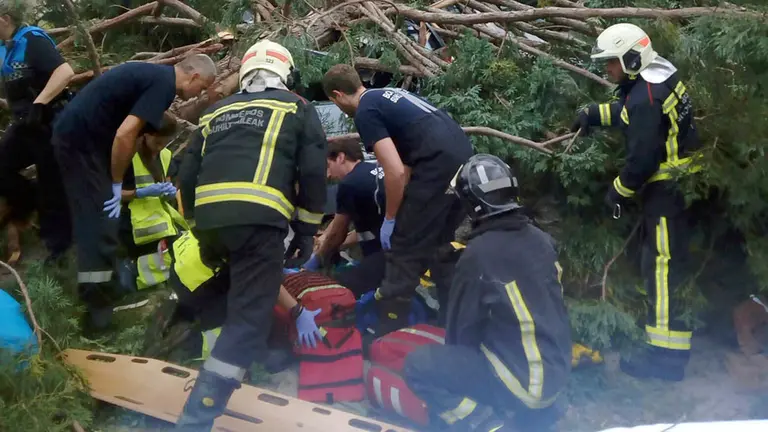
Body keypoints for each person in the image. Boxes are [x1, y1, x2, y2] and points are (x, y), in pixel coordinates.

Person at [175, 39, 327, 430]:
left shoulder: (215, 111)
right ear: (285, 73)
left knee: (236, 291)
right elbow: (313, 173)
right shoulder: (296, 106)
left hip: (211, 224)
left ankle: (233, 362)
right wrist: (306, 231)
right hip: (259, 224)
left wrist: (199, 228)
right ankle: (197, 417)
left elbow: (187, 177)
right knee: (248, 320)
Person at [570, 23, 702, 381]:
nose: (608, 69)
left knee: (662, 270)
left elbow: (641, 160)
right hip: (680, 186)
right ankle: (663, 345)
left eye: (612, 62)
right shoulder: (657, 75)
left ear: (631, 58)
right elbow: (630, 113)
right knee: (661, 267)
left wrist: (617, 192)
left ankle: (666, 359)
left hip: (667, 193)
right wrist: (593, 114)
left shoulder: (646, 96)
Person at [403, 154, 572, 432]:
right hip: (555, 377)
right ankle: (532, 416)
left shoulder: (478, 255)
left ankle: (485, 424)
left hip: (522, 383)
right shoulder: (542, 241)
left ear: (472, 205)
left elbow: (461, 335)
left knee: (418, 365)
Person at [51, 55, 217, 333]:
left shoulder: (153, 78)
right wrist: (116, 184)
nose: (197, 94)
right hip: (81, 143)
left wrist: (157, 180)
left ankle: (95, 293)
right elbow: (125, 134)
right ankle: (96, 312)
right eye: (200, 89)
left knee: (100, 221)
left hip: (83, 140)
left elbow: (140, 142)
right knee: (99, 223)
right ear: (194, 76)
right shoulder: (163, 84)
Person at [322, 65, 472, 335]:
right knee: (439, 245)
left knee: (403, 247)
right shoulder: (389, 95)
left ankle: (389, 330)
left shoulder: (366, 110)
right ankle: (453, 325)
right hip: (463, 162)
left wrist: (391, 219)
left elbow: (395, 171)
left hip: (435, 165)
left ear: (337, 95)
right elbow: (407, 163)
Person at [0, 1, 75, 264]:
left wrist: (40, 103)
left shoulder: (32, 39)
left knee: (52, 183)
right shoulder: (5, 48)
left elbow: (65, 71)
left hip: (49, 121)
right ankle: (30, 198)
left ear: (4, 19)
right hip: (25, 124)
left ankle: (59, 249)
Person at [305, 139, 386, 296]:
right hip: (408, 244)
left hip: (391, 255)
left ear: (341, 157)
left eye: (328, 166)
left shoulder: (349, 184)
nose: (329, 175)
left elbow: (337, 233)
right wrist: (333, 242)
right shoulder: (375, 170)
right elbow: (370, 230)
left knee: (338, 289)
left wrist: (318, 259)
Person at [117, 130, 185, 290]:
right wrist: (139, 193)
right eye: (157, 142)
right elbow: (109, 193)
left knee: (182, 250)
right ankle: (133, 275)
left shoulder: (165, 155)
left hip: (161, 221)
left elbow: (168, 182)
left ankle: (145, 276)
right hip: (132, 224)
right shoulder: (127, 156)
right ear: (146, 135)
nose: (160, 147)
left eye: (164, 143)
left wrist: (169, 193)